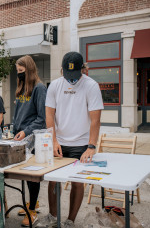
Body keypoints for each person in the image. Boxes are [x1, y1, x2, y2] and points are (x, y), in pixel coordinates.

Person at [39, 51, 103, 227]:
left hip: (81, 143)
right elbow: (49, 116)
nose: (71, 79)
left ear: (83, 69)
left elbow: (95, 119)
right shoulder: (55, 86)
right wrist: (53, 141)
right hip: (59, 141)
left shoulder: (91, 86)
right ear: (62, 70)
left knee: (77, 182)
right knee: (53, 180)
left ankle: (70, 220)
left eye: (75, 75)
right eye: (68, 75)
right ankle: (53, 216)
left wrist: (91, 146)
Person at [12, 55, 47, 227]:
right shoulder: (21, 87)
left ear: (29, 70)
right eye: (17, 71)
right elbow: (18, 113)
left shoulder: (39, 88)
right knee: (25, 174)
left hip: (33, 137)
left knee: (32, 176)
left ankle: (32, 210)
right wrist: (14, 129)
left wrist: (25, 131)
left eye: (21, 71)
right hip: (20, 137)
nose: (18, 74)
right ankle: (33, 203)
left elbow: (42, 118)